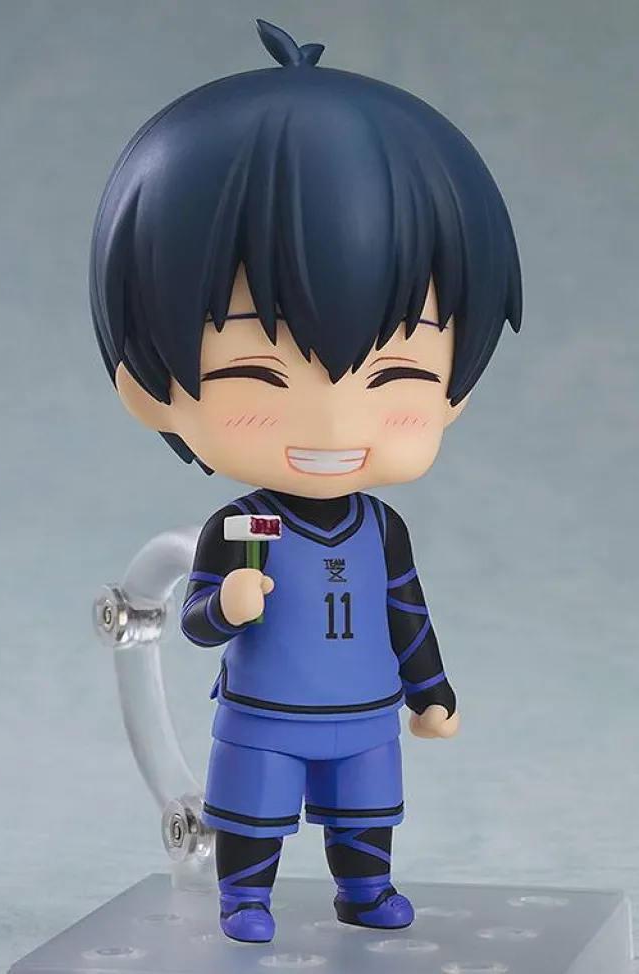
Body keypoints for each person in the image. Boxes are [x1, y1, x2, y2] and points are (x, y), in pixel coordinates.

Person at [89, 19, 522, 944]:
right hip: (264, 715)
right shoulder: (245, 525)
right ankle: (245, 895)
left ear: (456, 388)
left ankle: (365, 890)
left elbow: (407, 611)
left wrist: (431, 691)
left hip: (365, 713)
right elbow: (199, 619)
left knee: (367, 810)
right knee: (253, 808)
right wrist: (228, 603)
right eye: (260, 377)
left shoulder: (382, 529)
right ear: (149, 386)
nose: (332, 427)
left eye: (396, 376)